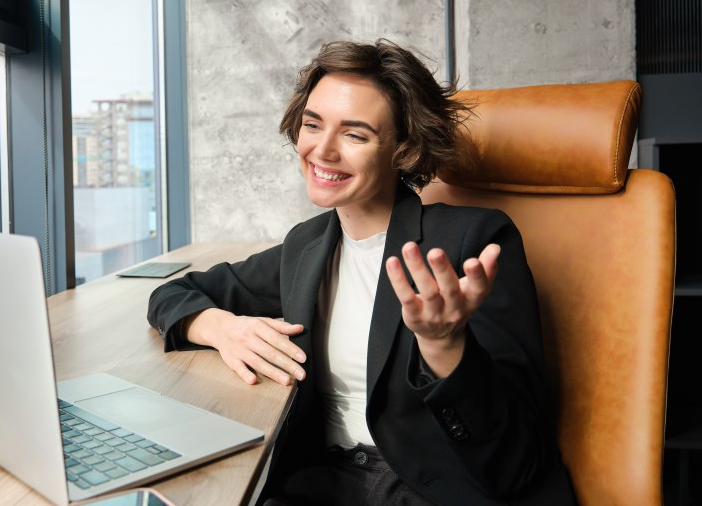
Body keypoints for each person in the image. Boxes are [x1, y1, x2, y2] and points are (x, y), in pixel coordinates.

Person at [147, 39, 576, 505]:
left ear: (405, 149)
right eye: (313, 125)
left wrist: (445, 350)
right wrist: (222, 328)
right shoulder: (306, 246)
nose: (322, 150)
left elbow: (519, 459)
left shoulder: (471, 242)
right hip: (323, 482)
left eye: (355, 134)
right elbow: (174, 295)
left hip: (433, 490)